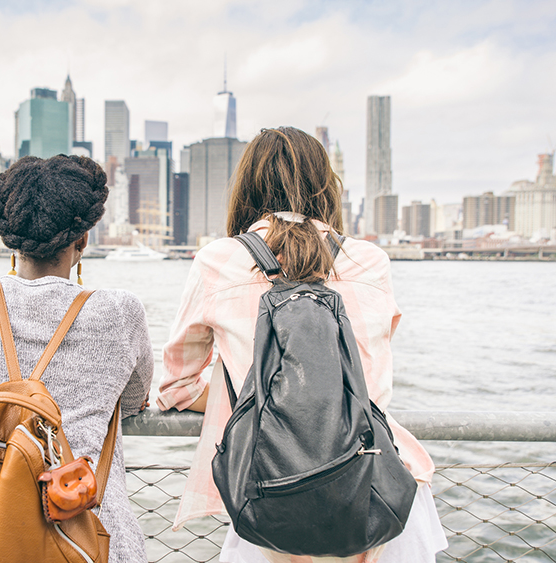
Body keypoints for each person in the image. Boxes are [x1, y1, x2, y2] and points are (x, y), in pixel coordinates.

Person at [157, 127, 447, 563]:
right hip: (381, 490)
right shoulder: (370, 261)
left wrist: (252, 395)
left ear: (246, 189)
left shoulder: (218, 261)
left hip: (273, 499)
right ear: (326, 187)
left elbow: (174, 388)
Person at [0, 154, 153, 562]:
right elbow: (132, 397)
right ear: (83, 239)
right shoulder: (120, 311)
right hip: (88, 531)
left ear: (9, 237)